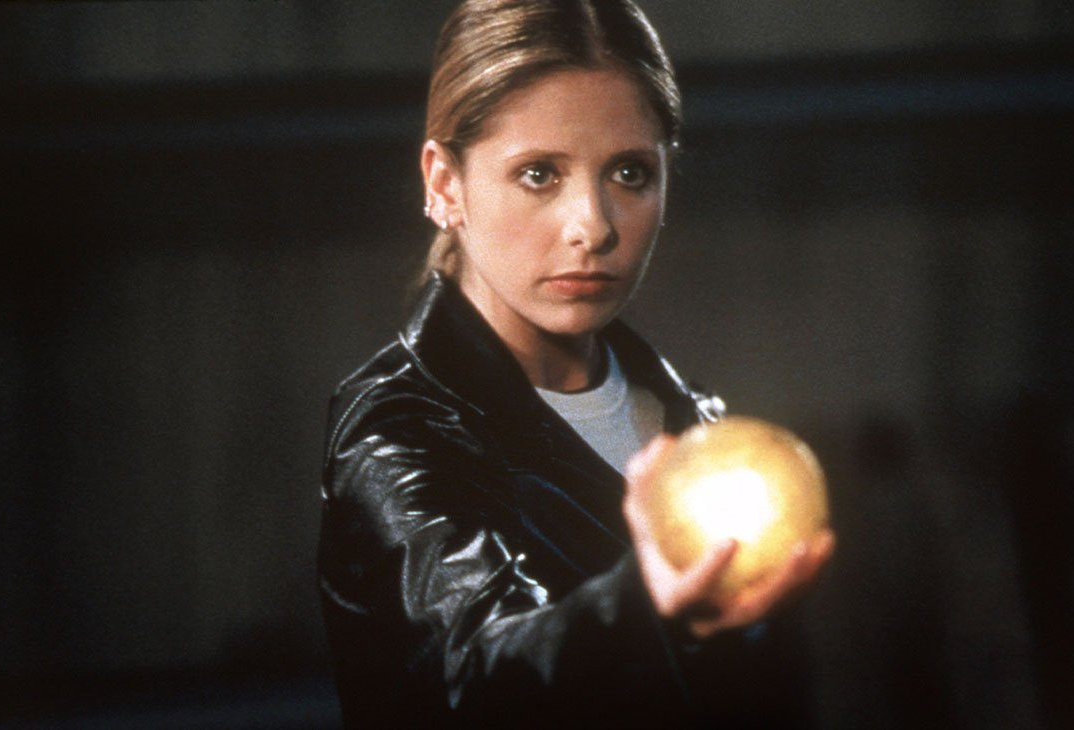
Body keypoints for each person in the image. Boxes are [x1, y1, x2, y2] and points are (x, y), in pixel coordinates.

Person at [317, 1, 835, 727]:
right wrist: (640, 610)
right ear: (443, 184)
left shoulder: (698, 427)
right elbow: (475, 673)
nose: (592, 226)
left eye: (628, 172)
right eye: (538, 174)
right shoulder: (396, 433)